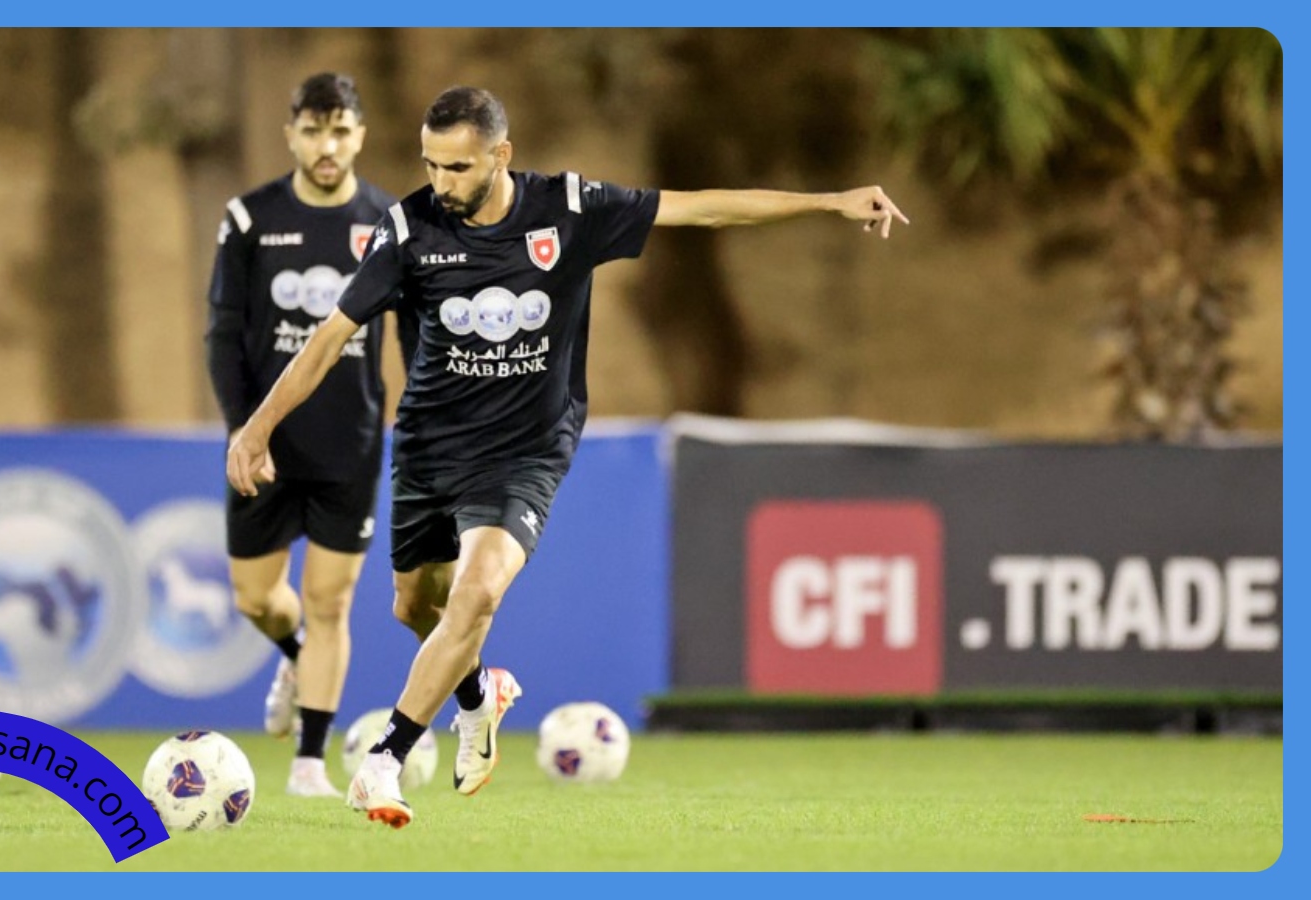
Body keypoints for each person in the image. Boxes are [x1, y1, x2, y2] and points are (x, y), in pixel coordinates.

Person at [225, 85, 909, 827]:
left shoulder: (571, 210)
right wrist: (257, 428)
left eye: (457, 167)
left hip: (525, 449)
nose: (441, 183)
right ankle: (477, 697)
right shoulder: (408, 228)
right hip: (429, 446)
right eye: (430, 165)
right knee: (415, 606)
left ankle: (383, 761)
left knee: (477, 593)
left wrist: (829, 202)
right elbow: (329, 338)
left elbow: (703, 208)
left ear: (501, 155)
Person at [204, 72, 397, 798]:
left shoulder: (388, 221)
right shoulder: (250, 219)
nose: (327, 146)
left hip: (351, 442)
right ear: (290, 135)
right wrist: (243, 428)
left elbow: (415, 334)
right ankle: (294, 655)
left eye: (340, 131)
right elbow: (223, 333)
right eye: (313, 131)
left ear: (360, 136)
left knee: (331, 602)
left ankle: (310, 764)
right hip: (267, 444)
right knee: (254, 598)